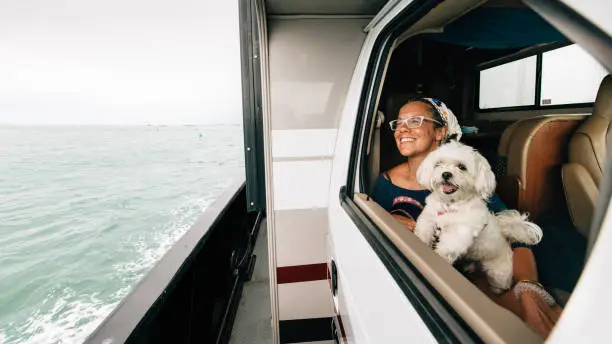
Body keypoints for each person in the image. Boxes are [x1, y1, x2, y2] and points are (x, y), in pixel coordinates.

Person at [372, 97, 562, 338]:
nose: (402, 129)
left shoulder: (470, 182)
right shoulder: (385, 184)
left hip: (474, 273)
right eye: (398, 123)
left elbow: (513, 233)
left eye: (415, 121)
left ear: (440, 132)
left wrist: (528, 288)